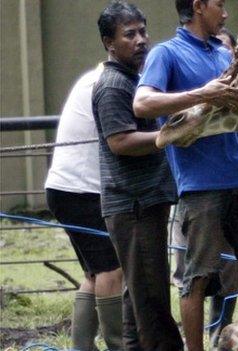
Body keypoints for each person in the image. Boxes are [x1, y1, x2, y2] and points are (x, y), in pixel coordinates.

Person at [132, 1, 238, 350]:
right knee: (196, 281)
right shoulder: (166, 54)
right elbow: (142, 104)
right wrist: (203, 94)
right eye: (219, 4)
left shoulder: (223, 53)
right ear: (199, 6)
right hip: (201, 189)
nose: (226, 13)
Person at [92, 2, 183, 349]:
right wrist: (170, 135)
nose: (141, 40)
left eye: (143, 31)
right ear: (109, 43)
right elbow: (121, 142)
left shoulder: (137, 79)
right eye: (129, 34)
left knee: (140, 295)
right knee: (152, 300)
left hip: (146, 201)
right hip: (133, 205)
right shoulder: (114, 85)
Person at [169, 25, 238, 347]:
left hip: (235, 188)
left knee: (231, 273)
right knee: (193, 273)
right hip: (196, 192)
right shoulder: (191, 89)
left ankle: (220, 332)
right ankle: (193, 341)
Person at [45, 63, 123, 350]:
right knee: (111, 272)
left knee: (94, 272)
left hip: (67, 189)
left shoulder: (97, 78)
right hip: (80, 191)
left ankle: (82, 347)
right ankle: (118, 344)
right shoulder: (109, 84)